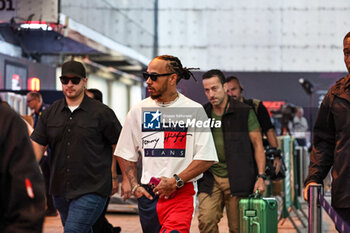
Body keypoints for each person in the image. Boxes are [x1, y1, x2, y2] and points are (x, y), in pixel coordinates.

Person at [115, 55, 218, 233]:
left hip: (181, 193)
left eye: (154, 76)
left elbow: (206, 157)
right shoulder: (139, 110)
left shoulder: (193, 110)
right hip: (148, 195)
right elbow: (124, 151)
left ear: (172, 78)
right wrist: (134, 185)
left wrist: (176, 181)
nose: (148, 81)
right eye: (146, 75)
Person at [30, 60, 122, 233]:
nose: (69, 85)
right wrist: (25, 173)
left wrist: (122, 178)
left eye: (75, 80)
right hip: (59, 189)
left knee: (73, 230)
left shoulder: (102, 113)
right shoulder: (51, 113)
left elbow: (119, 145)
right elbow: (38, 145)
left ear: (85, 81)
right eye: (65, 80)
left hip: (92, 188)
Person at [198, 70, 266, 233]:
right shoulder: (204, 113)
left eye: (214, 88)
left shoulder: (244, 112)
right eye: (207, 90)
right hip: (210, 178)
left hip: (238, 178)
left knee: (238, 228)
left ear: (224, 87)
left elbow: (258, 145)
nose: (210, 94)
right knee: (206, 221)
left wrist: (261, 176)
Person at [303, 32, 350, 226]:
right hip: (346, 195)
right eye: (347, 52)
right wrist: (314, 178)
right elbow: (324, 142)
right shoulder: (336, 94)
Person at [0, 98, 46, 233]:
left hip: (34, 159)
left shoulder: (9, 121)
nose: (28, 104)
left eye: (30, 101)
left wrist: (33, 163)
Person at [224, 76, 281, 175]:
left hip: (255, 158)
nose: (231, 94)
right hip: (231, 161)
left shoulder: (256, 106)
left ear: (240, 89)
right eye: (227, 91)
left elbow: (269, 130)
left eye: (233, 89)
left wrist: (276, 155)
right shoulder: (221, 111)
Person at [86, 88, 122, 233]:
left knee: (95, 216)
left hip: (102, 177)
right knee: (93, 218)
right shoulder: (79, 120)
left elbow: (115, 149)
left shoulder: (105, 118)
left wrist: (113, 177)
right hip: (84, 177)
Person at [26, 91, 57, 216]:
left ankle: (52, 208)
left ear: (37, 100)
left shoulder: (47, 111)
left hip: (49, 153)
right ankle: (50, 207)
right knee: (45, 181)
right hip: (42, 153)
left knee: (51, 181)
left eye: (29, 101)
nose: (28, 104)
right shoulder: (35, 114)